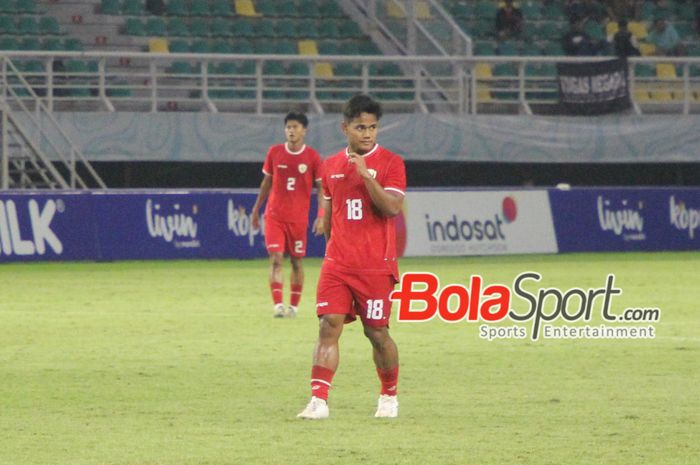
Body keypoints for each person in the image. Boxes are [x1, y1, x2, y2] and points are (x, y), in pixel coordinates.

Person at [297, 95, 406, 420]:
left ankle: (389, 395)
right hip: (338, 265)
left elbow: (391, 208)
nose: (368, 133)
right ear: (345, 128)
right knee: (328, 325)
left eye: (373, 127)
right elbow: (330, 214)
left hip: (375, 267)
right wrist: (332, 251)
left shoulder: (391, 163)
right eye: (361, 127)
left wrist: (367, 175)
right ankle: (319, 401)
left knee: (377, 333)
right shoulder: (330, 166)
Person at [251, 112, 324, 318]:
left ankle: (293, 306)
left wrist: (320, 215)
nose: (291, 131)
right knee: (275, 259)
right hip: (275, 216)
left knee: (296, 262)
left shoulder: (313, 157)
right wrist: (257, 209)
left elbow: (321, 189)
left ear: (304, 130)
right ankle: (278, 306)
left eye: (295, 127)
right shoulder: (274, 152)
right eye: (288, 127)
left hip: (298, 219)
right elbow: (266, 184)